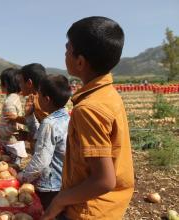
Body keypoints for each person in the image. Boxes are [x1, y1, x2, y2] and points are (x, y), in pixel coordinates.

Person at [42, 16, 134, 220]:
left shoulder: (89, 109)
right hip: (109, 207)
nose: (64, 54)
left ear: (80, 61)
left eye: (68, 49)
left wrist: (59, 200)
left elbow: (103, 180)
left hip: (87, 211)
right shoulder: (108, 94)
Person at [17, 74, 71, 210]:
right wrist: (29, 116)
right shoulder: (66, 117)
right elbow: (41, 137)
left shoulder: (49, 123)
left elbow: (41, 161)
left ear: (46, 99)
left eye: (38, 95)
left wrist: (22, 177)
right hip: (64, 182)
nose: (36, 98)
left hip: (50, 187)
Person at [0, 68, 27, 163]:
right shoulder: (15, 97)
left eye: (2, 82)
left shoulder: (9, 102)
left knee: (12, 169)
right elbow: (12, 121)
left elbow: (13, 126)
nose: (0, 85)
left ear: (6, 84)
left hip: (12, 145)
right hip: (13, 143)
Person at [5, 63, 48, 150]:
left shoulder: (41, 103)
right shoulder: (37, 98)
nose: (19, 86)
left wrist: (28, 137)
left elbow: (49, 135)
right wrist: (17, 118)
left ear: (29, 83)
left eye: (20, 82)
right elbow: (38, 122)